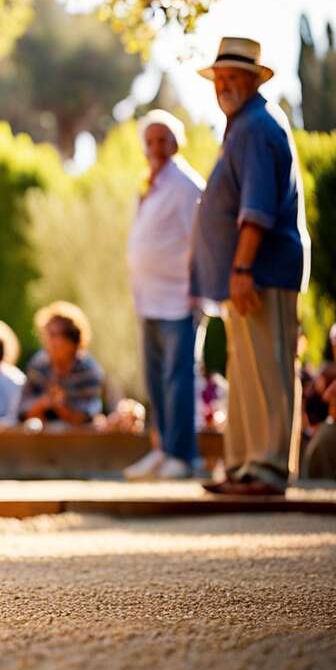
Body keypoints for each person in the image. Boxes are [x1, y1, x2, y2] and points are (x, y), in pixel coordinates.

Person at [190, 38, 310, 497]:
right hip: (246, 273)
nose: (223, 85)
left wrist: (241, 270)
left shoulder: (256, 127)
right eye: (219, 77)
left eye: (234, 76)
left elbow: (256, 208)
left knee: (266, 368)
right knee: (245, 372)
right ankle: (244, 466)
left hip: (261, 271)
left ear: (253, 80)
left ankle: (267, 468)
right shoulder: (243, 125)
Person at [123, 110, 206, 481]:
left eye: (163, 140)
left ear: (177, 143)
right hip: (149, 298)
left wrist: (197, 290)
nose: (156, 147)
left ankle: (183, 455)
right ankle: (162, 449)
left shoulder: (187, 185)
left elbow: (200, 240)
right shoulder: (149, 184)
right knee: (156, 379)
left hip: (178, 299)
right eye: (151, 141)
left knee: (178, 377)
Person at [20, 301, 105, 427]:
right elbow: (24, 412)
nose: (48, 340)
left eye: (53, 335)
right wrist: (45, 402)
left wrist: (59, 405)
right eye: (46, 334)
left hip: (80, 440)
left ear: (71, 339)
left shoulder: (88, 370)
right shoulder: (38, 365)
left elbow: (84, 418)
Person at [302, 321, 336, 479]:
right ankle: (322, 483)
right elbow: (324, 403)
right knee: (324, 435)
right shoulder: (326, 373)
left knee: (327, 434)